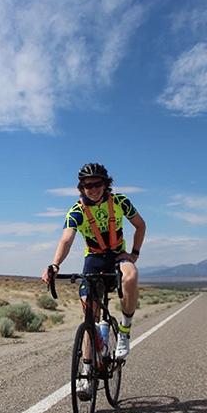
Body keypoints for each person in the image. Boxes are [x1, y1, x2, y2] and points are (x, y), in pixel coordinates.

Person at [42, 163, 146, 394]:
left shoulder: (120, 202)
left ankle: (125, 331)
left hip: (118, 255)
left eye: (97, 184)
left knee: (131, 277)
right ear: (82, 188)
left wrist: (134, 254)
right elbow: (66, 240)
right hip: (94, 260)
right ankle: (87, 372)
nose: (93, 189)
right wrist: (55, 264)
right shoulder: (76, 211)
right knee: (89, 313)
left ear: (105, 184)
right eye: (88, 185)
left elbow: (140, 225)